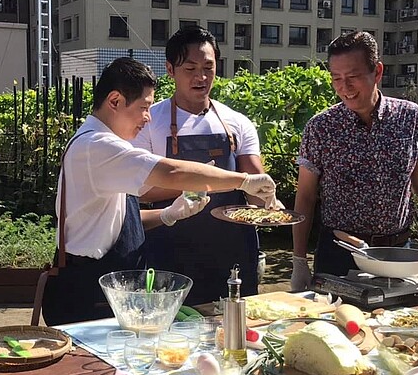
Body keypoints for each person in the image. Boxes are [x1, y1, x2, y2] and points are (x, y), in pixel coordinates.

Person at [42, 57, 278, 325]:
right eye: (144, 107)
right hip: (87, 294)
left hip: (105, 288)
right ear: (115, 101)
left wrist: (168, 214)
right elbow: (171, 172)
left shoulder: (100, 145)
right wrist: (243, 180)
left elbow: (117, 222)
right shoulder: (97, 146)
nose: (148, 117)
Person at [132, 26, 275, 304]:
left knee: (235, 325)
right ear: (171, 70)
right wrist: (192, 186)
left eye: (208, 67)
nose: (201, 77)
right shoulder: (150, 122)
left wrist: (266, 195)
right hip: (171, 242)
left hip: (231, 247)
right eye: (190, 68)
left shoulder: (237, 122)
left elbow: (252, 179)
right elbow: (140, 189)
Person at [291, 31, 418, 291]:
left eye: (353, 77)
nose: (344, 87)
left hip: (398, 253)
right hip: (341, 254)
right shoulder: (321, 127)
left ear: (378, 72)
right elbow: (305, 196)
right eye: (336, 78)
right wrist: (298, 260)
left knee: (402, 327)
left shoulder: (408, 116)